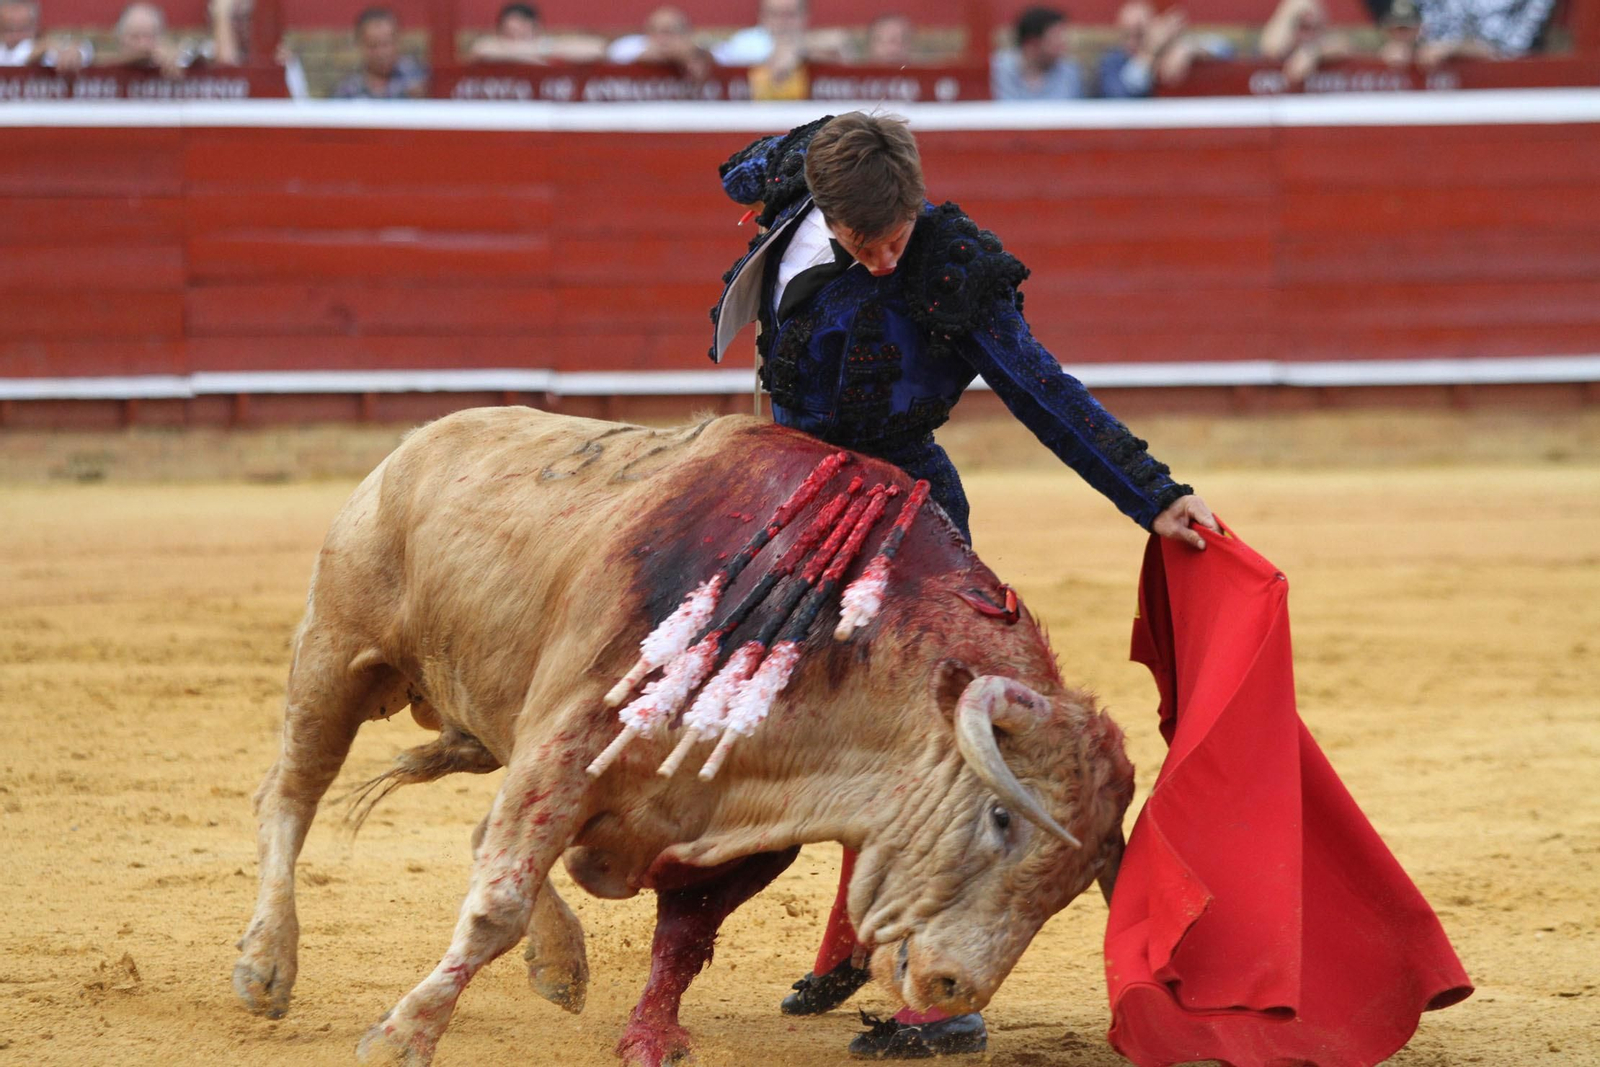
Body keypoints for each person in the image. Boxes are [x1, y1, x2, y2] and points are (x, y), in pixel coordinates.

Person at [710, 113, 1216, 1056]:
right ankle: (848, 943)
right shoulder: (798, 183)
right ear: (825, 207)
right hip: (786, 498)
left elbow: (1042, 389)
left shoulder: (952, 268)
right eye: (865, 245)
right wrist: (806, 145)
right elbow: (740, 174)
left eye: (896, 238)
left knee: (939, 744)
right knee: (787, 720)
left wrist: (1153, 497)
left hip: (907, 516)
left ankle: (941, 995)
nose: (882, 261)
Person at [1097, 1, 1202, 98]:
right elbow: (1121, 95)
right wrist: (1150, 50)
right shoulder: (1112, 61)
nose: (1132, 41)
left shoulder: (1168, 50)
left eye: (1139, 34)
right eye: (1126, 34)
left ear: (1153, 27)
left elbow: (1216, 47)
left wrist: (1186, 48)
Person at [1413, 0, 1555, 65]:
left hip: (1508, 97)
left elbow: (1514, 49)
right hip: (1436, 95)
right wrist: (1404, 44)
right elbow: (1421, 28)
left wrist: (1455, 47)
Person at [990, 5, 1084, 100]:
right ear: (1031, 44)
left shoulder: (1070, 71)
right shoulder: (998, 69)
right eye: (1056, 38)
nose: (1063, 44)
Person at [330, 6, 426, 99]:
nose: (381, 53)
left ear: (398, 41)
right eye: (373, 45)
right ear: (360, 45)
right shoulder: (349, 91)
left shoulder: (418, 76)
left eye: (386, 44)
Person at [606, 5, 712, 81]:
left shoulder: (698, 46)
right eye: (654, 31)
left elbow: (720, 55)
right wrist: (676, 55)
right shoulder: (629, 44)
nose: (661, 38)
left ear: (686, 34)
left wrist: (697, 54)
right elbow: (616, 54)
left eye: (669, 32)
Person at [1260, 0, 1352, 85]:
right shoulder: (1275, 41)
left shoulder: (1322, 44)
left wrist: (1311, 52)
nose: (1307, 35)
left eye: (1314, 27)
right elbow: (1272, 47)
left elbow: (1344, 44)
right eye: (1303, 26)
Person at [0, 0, 90, 69]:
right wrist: (32, 55)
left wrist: (74, 53)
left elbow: (83, 50)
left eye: (23, 30)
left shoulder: (44, 51)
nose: (16, 36)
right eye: (9, 30)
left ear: (36, 28)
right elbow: (13, 61)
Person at [106, 1, 184, 78]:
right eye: (135, 37)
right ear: (120, 39)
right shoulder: (105, 69)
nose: (142, 45)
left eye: (149, 37)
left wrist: (174, 59)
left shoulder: (172, 59)